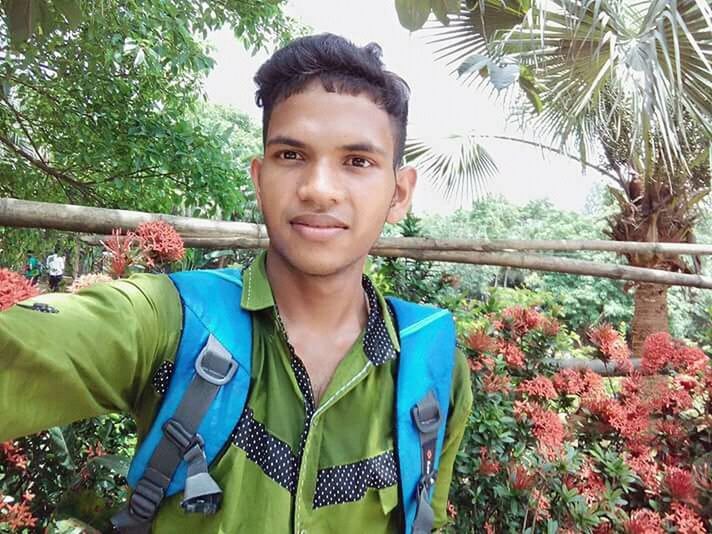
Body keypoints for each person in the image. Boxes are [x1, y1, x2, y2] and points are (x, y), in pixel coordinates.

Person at [0, 34, 472, 533]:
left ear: (399, 193)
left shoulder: (433, 366)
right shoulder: (173, 322)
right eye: (291, 155)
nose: (318, 188)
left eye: (358, 162)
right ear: (259, 175)